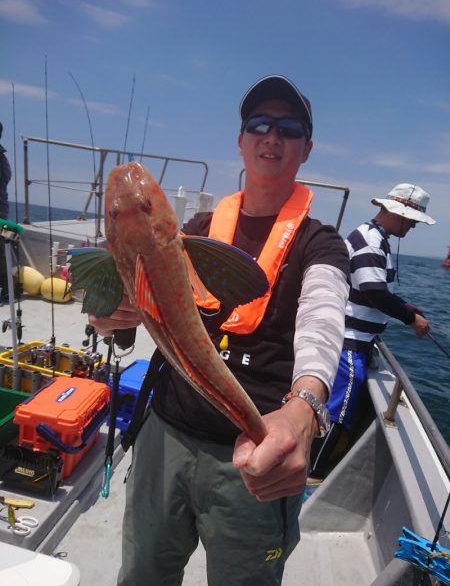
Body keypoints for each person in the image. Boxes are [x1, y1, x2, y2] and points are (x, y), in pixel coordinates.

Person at [89, 75, 350, 586]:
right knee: (141, 572)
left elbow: (322, 326)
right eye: (258, 124)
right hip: (165, 435)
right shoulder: (196, 230)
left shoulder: (322, 245)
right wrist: (109, 316)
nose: (271, 136)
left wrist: (304, 408)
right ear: (241, 140)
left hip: (252, 453)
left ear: (307, 148)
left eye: (288, 128)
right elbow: (134, 311)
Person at [308, 183, 435, 483]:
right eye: (413, 220)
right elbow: (374, 292)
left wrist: (406, 304)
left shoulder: (375, 237)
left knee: (339, 405)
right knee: (339, 409)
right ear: (399, 214)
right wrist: (410, 319)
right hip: (350, 343)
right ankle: (312, 474)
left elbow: (371, 288)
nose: (414, 226)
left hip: (356, 341)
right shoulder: (370, 241)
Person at [0, 122, 12, 301]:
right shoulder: (4, 159)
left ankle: (9, 286)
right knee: (3, 249)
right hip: (3, 211)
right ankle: (9, 287)